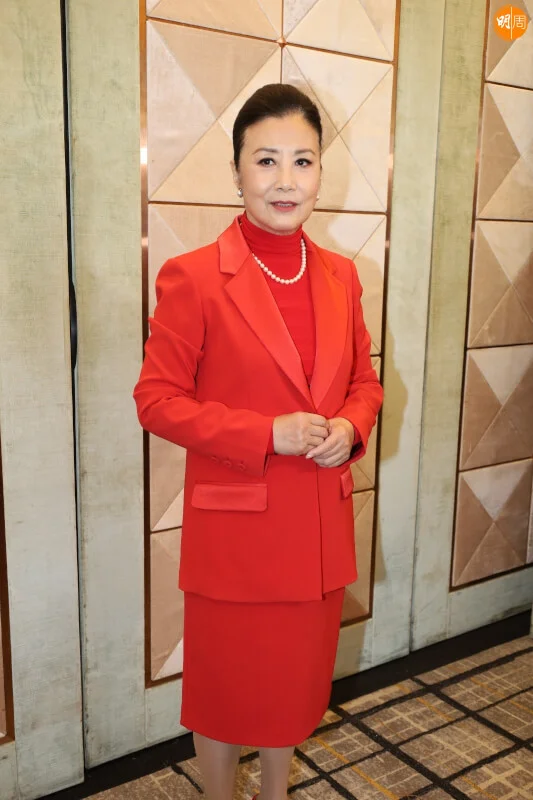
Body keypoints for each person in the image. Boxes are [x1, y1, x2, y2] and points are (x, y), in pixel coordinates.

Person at [133, 83, 383, 800]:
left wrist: (350, 427)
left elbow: (364, 382)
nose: (285, 180)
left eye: (302, 161)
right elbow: (155, 400)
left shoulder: (341, 276)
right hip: (237, 539)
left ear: (320, 172)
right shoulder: (193, 277)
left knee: (293, 691)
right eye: (265, 160)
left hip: (318, 530)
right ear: (237, 170)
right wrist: (266, 433)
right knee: (225, 693)